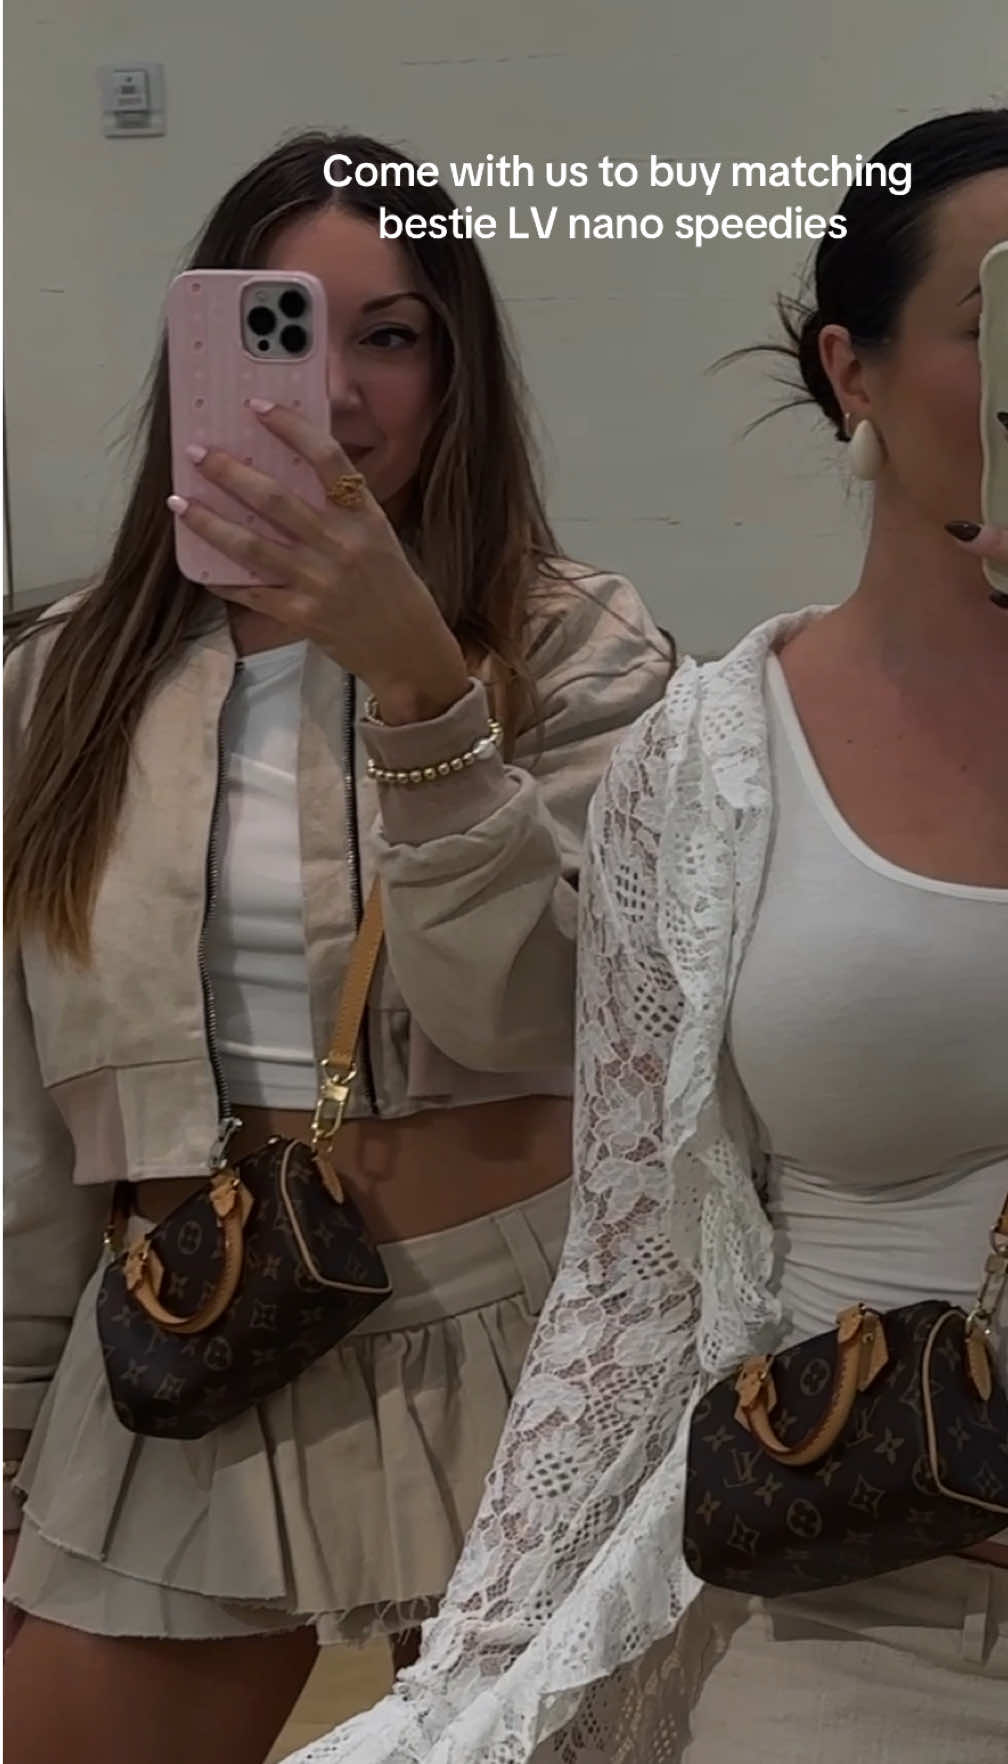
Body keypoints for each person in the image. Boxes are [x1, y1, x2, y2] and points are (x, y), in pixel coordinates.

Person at [288, 109, 1008, 1764]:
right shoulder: (716, 761)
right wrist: (483, 1671)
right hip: (881, 1648)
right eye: (1005, 318)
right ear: (849, 370)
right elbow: (633, 1260)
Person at [2, 130, 673, 1764]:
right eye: (287, 332)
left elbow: (535, 1018)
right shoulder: (61, 685)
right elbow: (22, 1133)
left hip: (518, 1329)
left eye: (392, 335)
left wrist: (421, 691)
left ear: (456, 370)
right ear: (201, 359)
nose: (343, 394)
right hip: (186, 1331)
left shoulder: (574, 648)